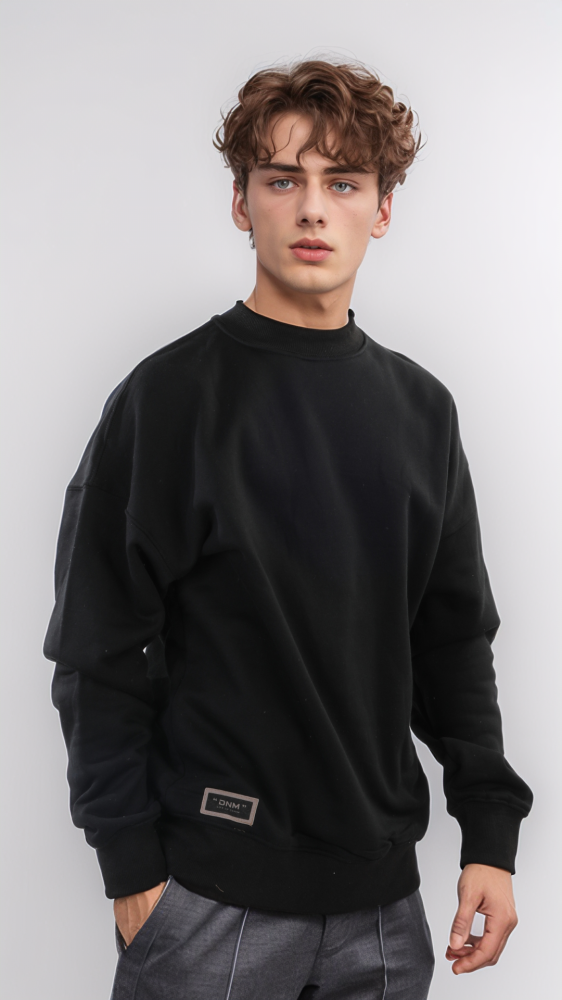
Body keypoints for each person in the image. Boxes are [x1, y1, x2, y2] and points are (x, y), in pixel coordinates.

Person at [43, 57, 534, 1000]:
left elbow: (452, 643)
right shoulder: (168, 400)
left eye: (343, 183)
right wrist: (131, 870)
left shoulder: (422, 411)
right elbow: (97, 649)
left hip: (385, 917)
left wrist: (490, 836)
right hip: (208, 906)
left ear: (381, 208)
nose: (313, 210)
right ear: (242, 202)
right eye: (282, 180)